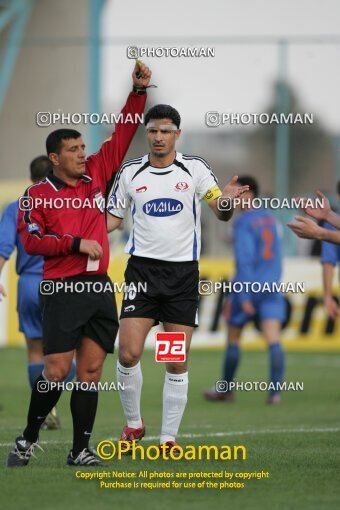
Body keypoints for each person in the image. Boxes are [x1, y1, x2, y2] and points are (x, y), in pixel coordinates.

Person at [7, 61, 152, 467]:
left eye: (83, 148)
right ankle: (26, 440)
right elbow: (31, 241)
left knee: (90, 373)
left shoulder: (97, 175)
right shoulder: (37, 195)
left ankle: (79, 450)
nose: (82, 155)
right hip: (62, 289)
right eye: (73, 150)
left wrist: (138, 92)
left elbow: (123, 134)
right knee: (56, 370)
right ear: (55, 158)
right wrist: (74, 242)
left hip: (99, 288)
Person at [106, 104, 249, 454]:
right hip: (141, 272)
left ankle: (169, 439)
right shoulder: (130, 172)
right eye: (153, 130)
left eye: (166, 131)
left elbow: (221, 211)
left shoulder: (195, 169)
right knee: (127, 353)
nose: (158, 137)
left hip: (182, 277)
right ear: (147, 133)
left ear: (177, 135)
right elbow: (111, 219)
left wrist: (227, 202)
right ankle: (134, 424)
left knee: (175, 359)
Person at [0, 156, 76, 429]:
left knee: (35, 350)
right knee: (72, 349)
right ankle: (55, 396)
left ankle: (45, 408)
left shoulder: (15, 208)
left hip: (29, 285)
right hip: (61, 280)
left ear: (30, 178)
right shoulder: (65, 202)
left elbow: (3, 248)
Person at [203, 176, 285, 405]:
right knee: (274, 340)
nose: (235, 199)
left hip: (246, 288)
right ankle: (275, 393)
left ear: (249, 195)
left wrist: (245, 294)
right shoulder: (270, 218)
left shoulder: (243, 222)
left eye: (238, 194)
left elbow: (245, 259)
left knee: (233, 339)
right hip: (271, 288)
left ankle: (226, 390)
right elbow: (276, 257)